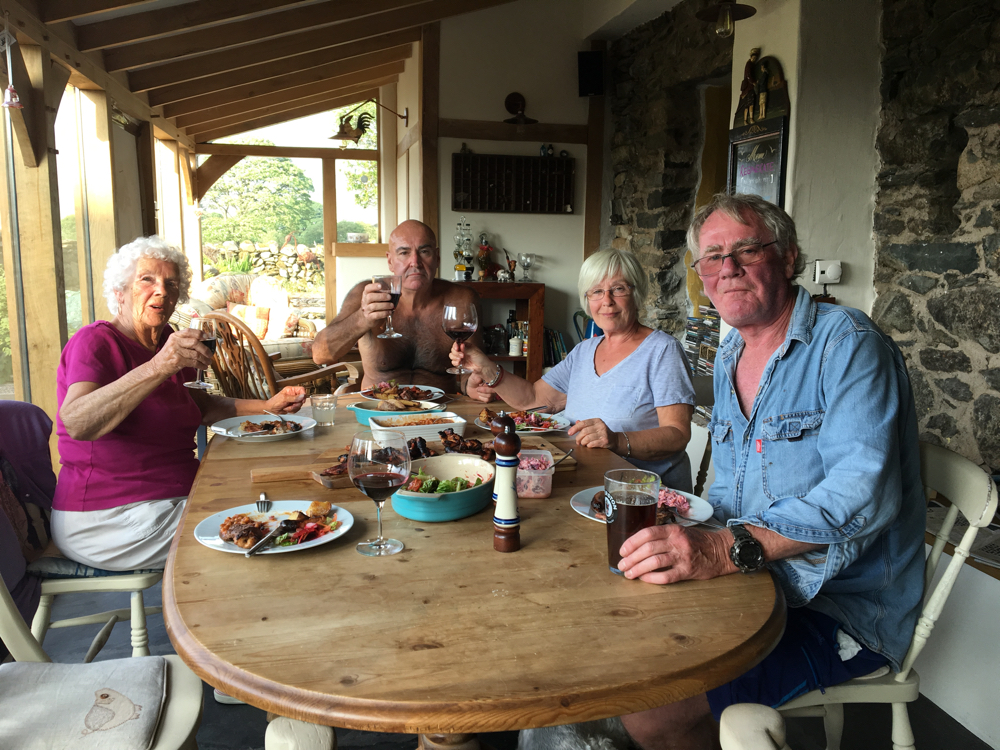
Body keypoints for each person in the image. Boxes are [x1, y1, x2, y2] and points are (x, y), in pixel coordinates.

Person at [603, 194, 924, 750]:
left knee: (653, 705)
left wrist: (720, 550)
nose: (727, 267)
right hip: (755, 583)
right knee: (608, 619)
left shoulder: (848, 344)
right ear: (701, 277)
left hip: (841, 608)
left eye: (747, 249)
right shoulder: (731, 355)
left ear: (789, 257)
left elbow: (862, 498)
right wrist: (690, 532)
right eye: (712, 257)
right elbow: (726, 491)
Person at [52, 236, 306, 571]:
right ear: (120, 292)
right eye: (147, 280)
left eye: (171, 283)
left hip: (175, 498)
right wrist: (161, 366)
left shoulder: (168, 343)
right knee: (267, 534)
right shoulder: (96, 342)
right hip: (109, 517)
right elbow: (78, 423)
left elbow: (202, 407)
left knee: (278, 504)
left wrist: (268, 406)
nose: (161, 291)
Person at [452, 248, 696, 492]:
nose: (607, 300)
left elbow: (677, 434)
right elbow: (534, 398)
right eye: (597, 292)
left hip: (648, 494)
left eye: (619, 289)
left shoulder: (663, 350)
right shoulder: (584, 351)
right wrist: (483, 365)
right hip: (586, 482)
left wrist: (617, 440)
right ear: (587, 299)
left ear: (637, 293)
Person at [312, 220, 483, 393]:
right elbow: (320, 355)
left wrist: (473, 387)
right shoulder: (366, 294)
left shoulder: (461, 299)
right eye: (404, 253)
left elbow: (470, 371)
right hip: (376, 409)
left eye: (424, 251)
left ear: (437, 258)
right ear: (390, 261)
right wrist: (362, 319)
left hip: (441, 410)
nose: (415, 262)